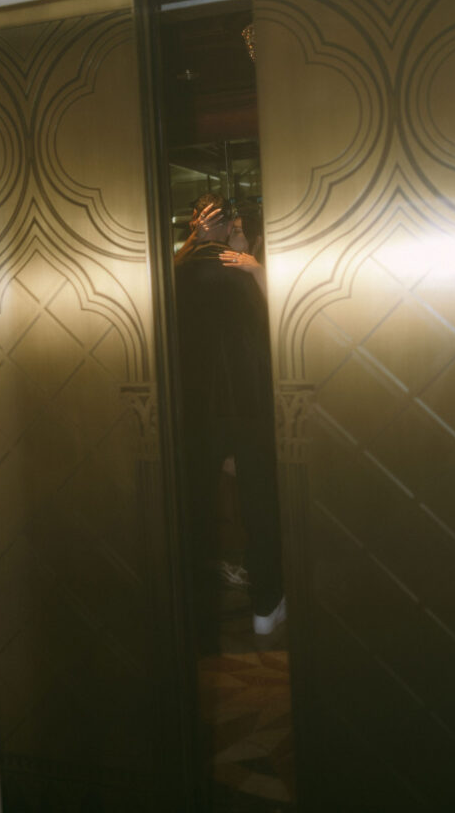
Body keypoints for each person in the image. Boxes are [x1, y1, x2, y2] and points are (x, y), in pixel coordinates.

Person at [175, 192, 285, 641]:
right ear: (228, 225)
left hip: (196, 408)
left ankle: (194, 608)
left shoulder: (176, 271)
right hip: (251, 403)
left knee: (194, 505)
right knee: (260, 501)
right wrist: (252, 262)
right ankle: (266, 604)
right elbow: (280, 324)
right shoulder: (239, 268)